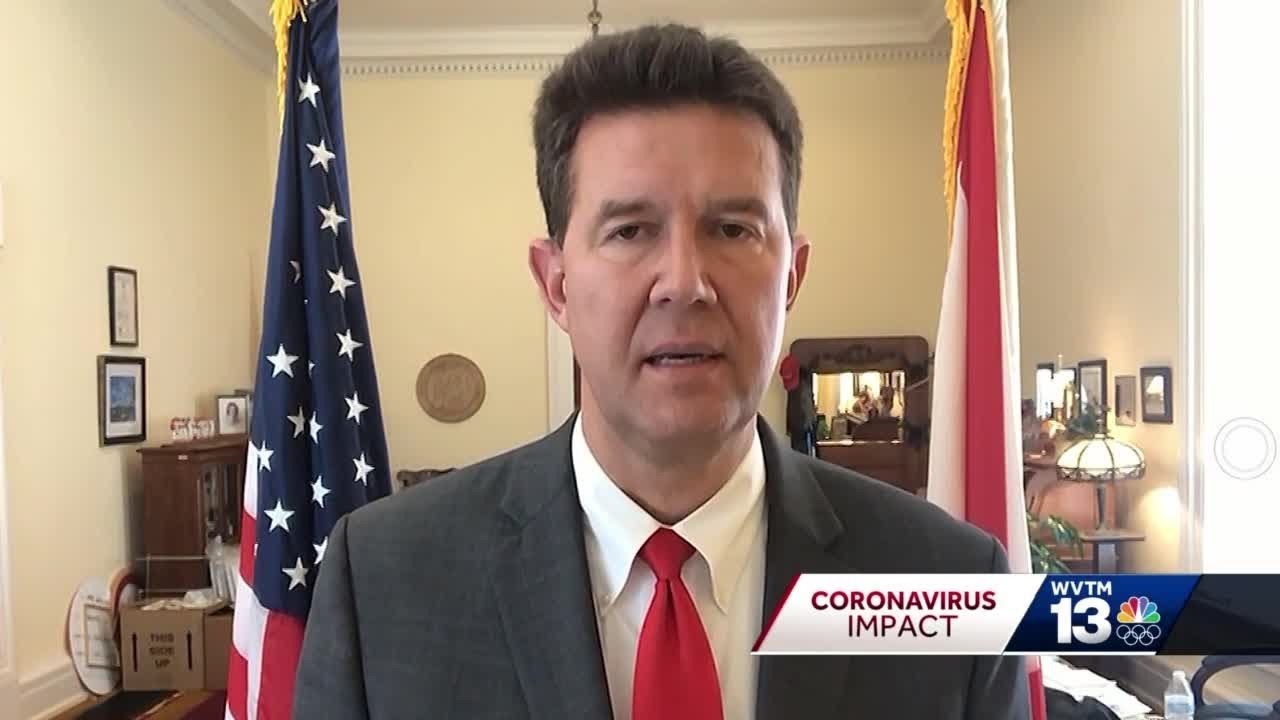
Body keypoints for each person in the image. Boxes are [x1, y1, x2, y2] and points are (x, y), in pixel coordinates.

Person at [294, 24, 1029, 720]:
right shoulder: (384, 581)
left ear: (792, 277)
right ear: (556, 284)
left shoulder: (947, 582)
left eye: (732, 229)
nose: (685, 283)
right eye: (630, 231)